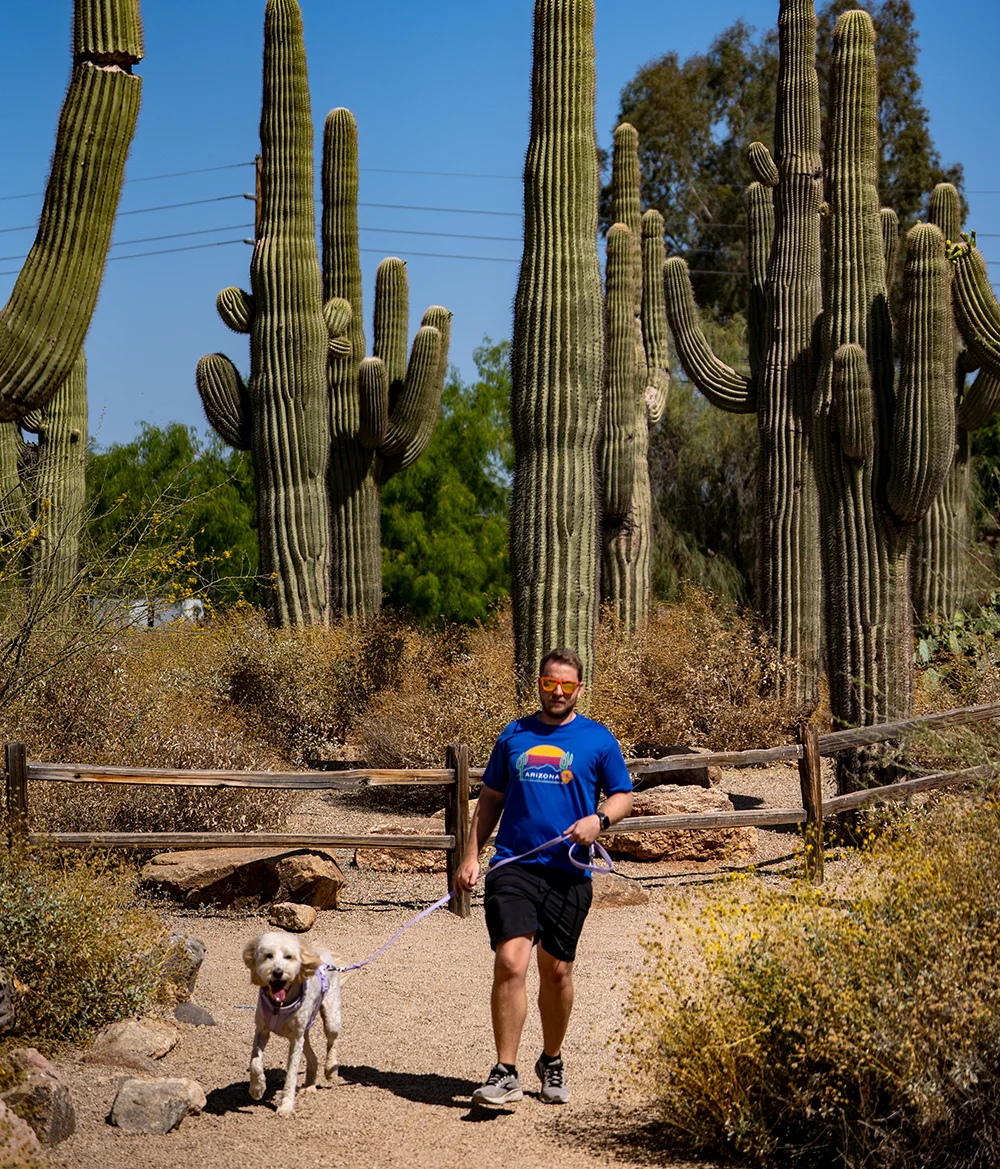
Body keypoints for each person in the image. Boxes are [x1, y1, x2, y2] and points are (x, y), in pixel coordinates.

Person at [456, 647, 633, 1107]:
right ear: (538, 682)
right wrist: (472, 856)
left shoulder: (598, 739)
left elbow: (623, 795)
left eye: (567, 685)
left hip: (568, 873)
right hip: (513, 867)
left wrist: (600, 821)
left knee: (556, 975)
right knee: (511, 962)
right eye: (550, 683)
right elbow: (490, 799)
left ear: (579, 688)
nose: (557, 692)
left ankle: (551, 1059)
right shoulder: (513, 735)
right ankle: (504, 1071)